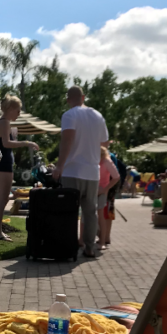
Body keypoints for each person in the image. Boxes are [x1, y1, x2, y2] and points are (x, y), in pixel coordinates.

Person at [52, 86, 109, 258]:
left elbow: (67, 140)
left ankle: (69, 246)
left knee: (70, 210)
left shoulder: (69, 115)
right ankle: (90, 247)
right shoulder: (98, 116)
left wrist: (60, 165)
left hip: (72, 170)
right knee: (90, 212)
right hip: (92, 172)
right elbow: (105, 143)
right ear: (83, 97)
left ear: (68, 99)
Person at [0, 94, 39, 241]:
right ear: (10, 108)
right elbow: (6, 143)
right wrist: (26, 143)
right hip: (4, 166)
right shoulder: (5, 123)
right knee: (2, 199)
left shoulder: (0, 123)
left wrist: (14, 139)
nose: (19, 113)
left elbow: (4, 142)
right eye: (18, 110)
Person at [97, 146, 120, 250]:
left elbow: (116, 176)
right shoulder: (107, 154)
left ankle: (105, 237)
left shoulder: (107, 158)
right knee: (108, 212)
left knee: (106, 212)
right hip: (109, 187)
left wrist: (106, 189)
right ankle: (105, 237)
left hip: (108, 187)